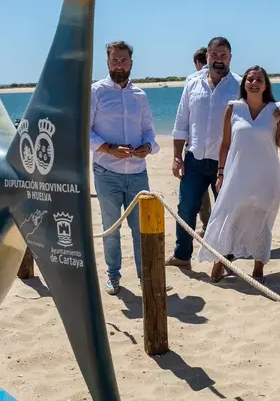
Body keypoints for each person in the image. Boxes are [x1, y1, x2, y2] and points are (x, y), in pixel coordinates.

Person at [198, 66, 280, 283]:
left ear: (266, 85)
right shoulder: (233, 108)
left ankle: (258, 268)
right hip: (237, 174)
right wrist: (220, 173)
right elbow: (225, 144)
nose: (254, 83)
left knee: (262, 219)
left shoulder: (277, 110)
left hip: (267, 175)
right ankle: (219, 262)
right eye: (250, 79)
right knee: (229, 216)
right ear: (244, 84)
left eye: (259, 79)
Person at [90, 40, 160, 295]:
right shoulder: (95, 92)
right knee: (111, 228)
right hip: (106, 173)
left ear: (131, 63)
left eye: (124, 60)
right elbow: (83, 131)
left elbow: (149, 131)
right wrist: (109, 149)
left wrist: (148, 147)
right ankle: (113, 276)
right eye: (115, 61)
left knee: (141, 229)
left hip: (138, 173)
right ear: (107, 62)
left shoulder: (139, 95)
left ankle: (145, 278)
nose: (119, 65)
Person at [168, 37, 241, 269]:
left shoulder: (240, 85)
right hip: (194, 159)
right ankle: (182, 256)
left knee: (227, 211)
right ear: (207, 56)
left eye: (223, 55)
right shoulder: (192, 83)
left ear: (230, 57)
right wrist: (177, 156)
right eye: (214, 55)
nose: (218, 60)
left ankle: (226, 259)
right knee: (186, 208)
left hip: (226, 162)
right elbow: (181, 121)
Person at [187, 46, 212, 235]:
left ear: (197, 62)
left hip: (196, 147)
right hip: (220, 147)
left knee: (201, 192)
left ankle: (206, 224)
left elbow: (186, 115)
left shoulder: (192, 79)